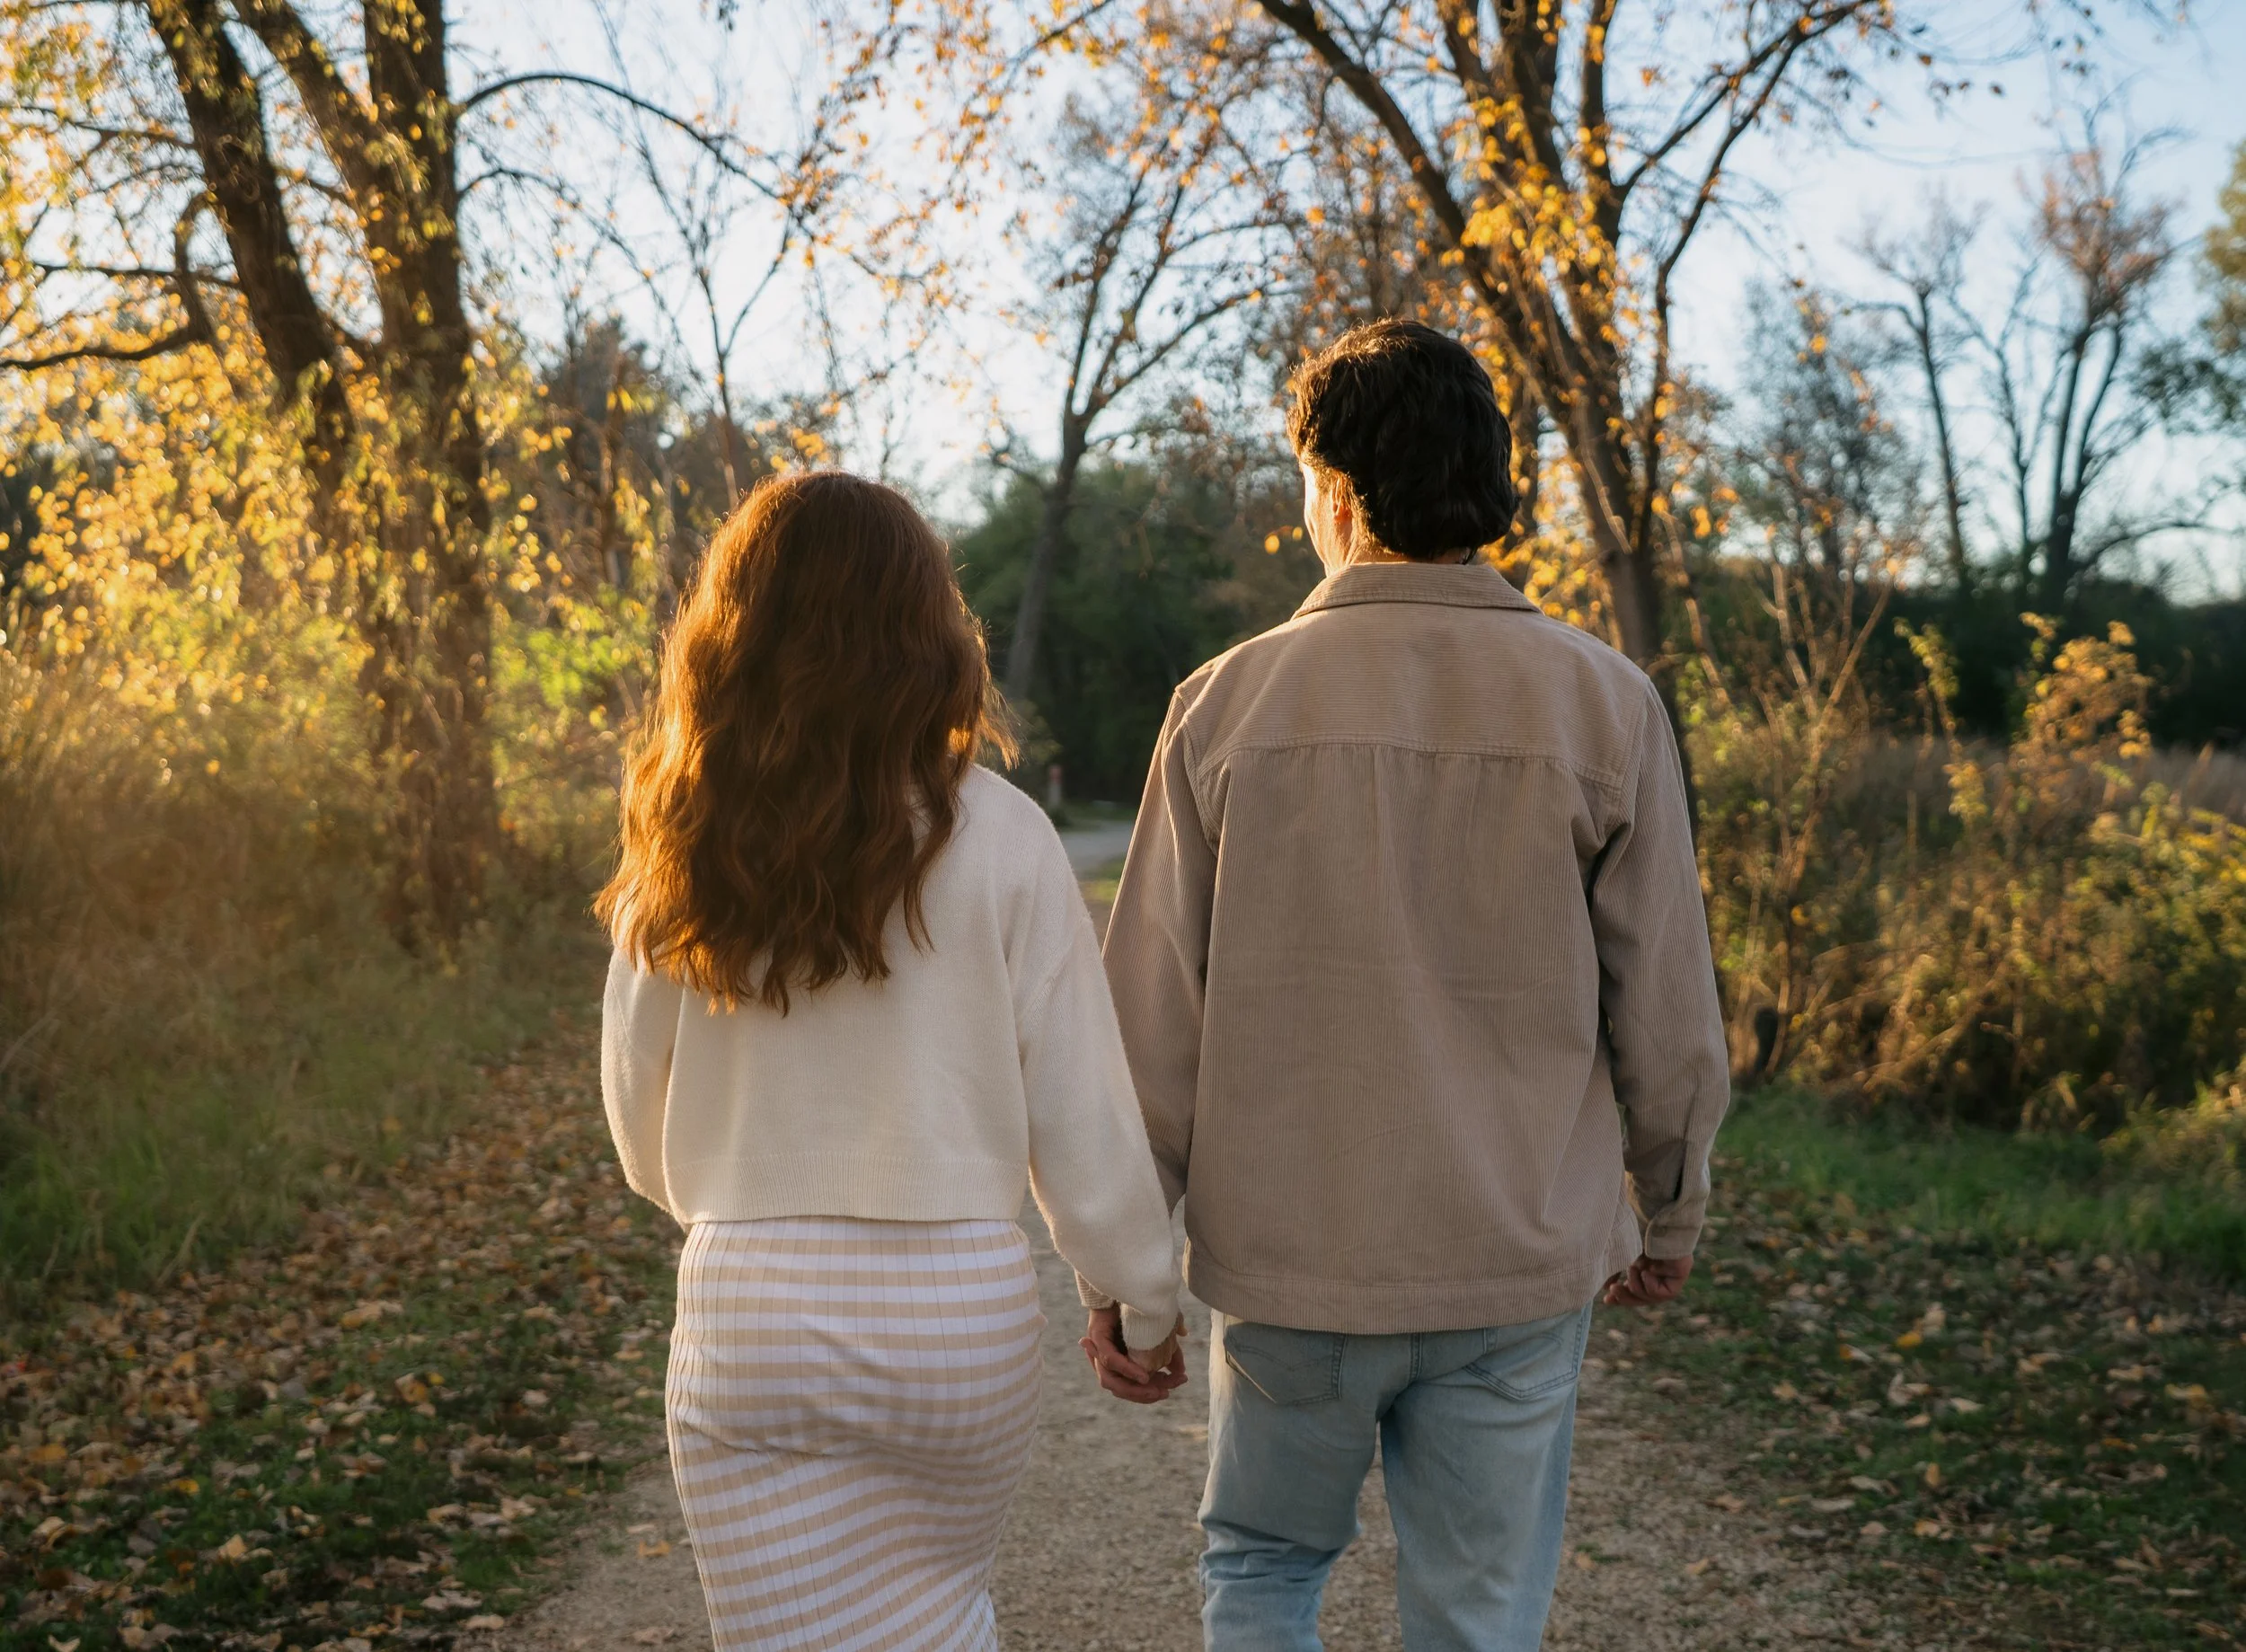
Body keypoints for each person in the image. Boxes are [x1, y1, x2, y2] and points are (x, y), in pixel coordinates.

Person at [1081, 320, 1730, 1651]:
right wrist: (1669, 1208)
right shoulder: (1604, 706)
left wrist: (1131, 1272)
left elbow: (1147, 1026)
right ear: (1484, 489)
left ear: (1332, 491)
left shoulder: (1222, 707)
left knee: (1261, 1568)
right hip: (1511, 1265)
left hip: (1295, 1269)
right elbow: (1665, 1009)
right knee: (1478, 1614)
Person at [598, 472, 1185, 1652]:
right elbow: (1083, 1117)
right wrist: (1143, 1294)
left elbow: (635, 1116)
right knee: (933, 1619)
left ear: (734, 632)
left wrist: (749, 1200)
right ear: (931, 635)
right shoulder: (1008, 835)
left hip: (750, 1303)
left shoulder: (687, 836)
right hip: (952, 1313)